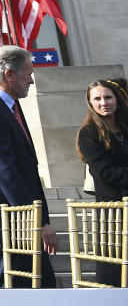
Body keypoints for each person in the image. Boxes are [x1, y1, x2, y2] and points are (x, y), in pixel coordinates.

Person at [0, 45, 57, 288]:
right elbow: (6, 173)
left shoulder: (7, 107)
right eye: (28, 74)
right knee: (21, 293)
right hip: (10, 222)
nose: (31, 80)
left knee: (42, 290)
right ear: (10, 75)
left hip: (20, 220)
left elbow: (27, 168)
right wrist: (36, 220)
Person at [76, 78, 128, 287]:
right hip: (112, 209)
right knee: (115, 271)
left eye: (108, 97)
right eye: (97, 98)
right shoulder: (89, 133)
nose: (103, 102)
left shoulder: (125, 128)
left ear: (117, 99)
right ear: (90, 103)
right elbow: (105, 172)